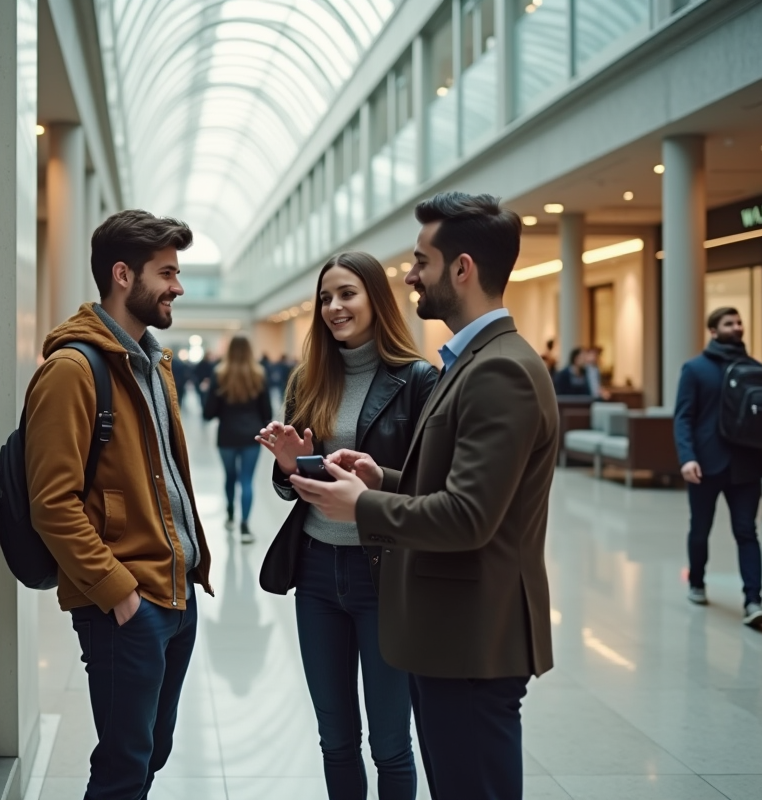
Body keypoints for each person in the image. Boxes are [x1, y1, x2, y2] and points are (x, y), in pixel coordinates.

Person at [289, 193, 558, 800]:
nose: (409, 275)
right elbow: (451, 483)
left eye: (421, 261)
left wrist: (359, 505)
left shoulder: (499, 370)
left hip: (472, 639)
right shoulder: (471, 362)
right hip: (448, 635)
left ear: (461, 268)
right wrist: (380, 478)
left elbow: (468, 516)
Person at [23, 209, 214, 800]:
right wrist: (117, 591)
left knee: (152, 751)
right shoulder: (72, 370)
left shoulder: (153, 362)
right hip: (126, 603)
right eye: (167, 272)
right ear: (123, 275)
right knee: (124, 768)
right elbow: (51, 502)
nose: (178, 286)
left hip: (175, 591)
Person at [256, 251, 438, 800]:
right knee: (335, 738)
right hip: (314, 572)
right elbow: (288, 488)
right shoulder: (307, 379)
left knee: (390, 743)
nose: (334, 307)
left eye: (348, 294)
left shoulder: (418, 380)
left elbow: (430, 486)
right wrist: (289, 465)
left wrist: (372, 483)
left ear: (376, 300)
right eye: (326, 297)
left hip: (383, 572)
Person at [673, 306, 762, 628]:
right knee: (700, 529)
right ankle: (697, 581)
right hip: (704, 464)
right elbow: (683, 417)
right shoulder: (695, 369)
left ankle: (753, 600)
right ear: (713, 331)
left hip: (746, 464)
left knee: (746, 531)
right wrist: (687, 457)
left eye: (740, 321)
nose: (737, 327)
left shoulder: (756, 369)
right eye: (729, 323)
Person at [204, 335, 273, 543]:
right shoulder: (259, 374)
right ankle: (245, 527)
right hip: (253, 435)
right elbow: (267, 411)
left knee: (230, 477)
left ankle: (230, 514)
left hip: (227, 435)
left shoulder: (219, 374)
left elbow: (208, 413)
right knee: (247, 480)